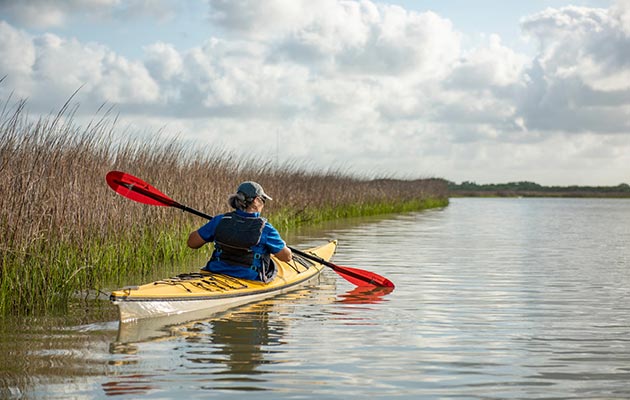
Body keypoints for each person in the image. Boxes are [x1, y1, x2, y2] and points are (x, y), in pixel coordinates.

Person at [187, 181, 292, 282]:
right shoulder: (266, 229)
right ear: (256, 200)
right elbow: (287, 257)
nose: (264, 204)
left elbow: (192, 243)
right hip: (249, 279)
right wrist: (283, 245)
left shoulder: (220, 220)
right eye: (263, 200)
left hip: (214, 272)